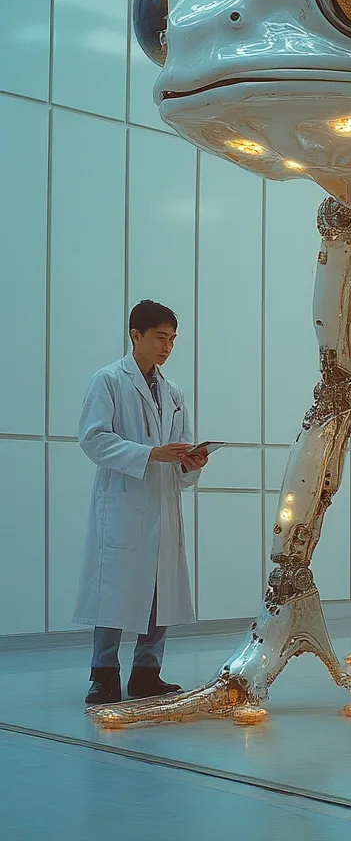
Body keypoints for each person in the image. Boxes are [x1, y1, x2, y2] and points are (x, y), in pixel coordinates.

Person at [74, 300, 209, 705]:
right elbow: (93, 439)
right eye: (159, 337)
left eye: (172, 339)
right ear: (135, 336)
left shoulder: (174, 393)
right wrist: (150, 454)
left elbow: (179, 452)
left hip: (162, 502)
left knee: (160, 591)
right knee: (113, 591)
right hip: (123, 502)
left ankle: (147, 673)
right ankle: (104, 675)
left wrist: (191, 461)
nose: (167, 347)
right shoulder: (109, 381)